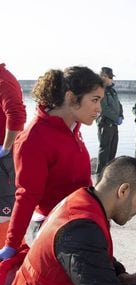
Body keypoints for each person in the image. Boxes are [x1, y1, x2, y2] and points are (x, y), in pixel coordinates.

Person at [4, 156, 136, 285]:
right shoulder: (81, 229)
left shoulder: (84, 201)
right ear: (123, 191)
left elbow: (92, 258)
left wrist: (120, 275)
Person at [0, 66, 104, 260]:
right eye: (95, 100)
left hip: (79, 219)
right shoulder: (34, 138)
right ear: (72, 98)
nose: (99, 109)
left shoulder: (73, 128)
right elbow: (27, 195)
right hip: (55, 229)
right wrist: (12, 244)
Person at [0, 64, 26, 217]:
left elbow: (17, 116)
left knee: (4, 210)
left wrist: (6, 147)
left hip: (4, 159)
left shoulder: (4, 80)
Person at [96, 67, 124, 177]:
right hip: (105, 124)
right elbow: (104, 108)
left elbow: (119, 104)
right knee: (104, 152)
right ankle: (99, 176)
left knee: (112, 151)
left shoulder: (112, 90)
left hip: (114, 126)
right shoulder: (100, 90)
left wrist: (121, 115)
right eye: (110, 77)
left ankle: (109, 176)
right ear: (103, 77)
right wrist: (115, 118)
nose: (112, 79)